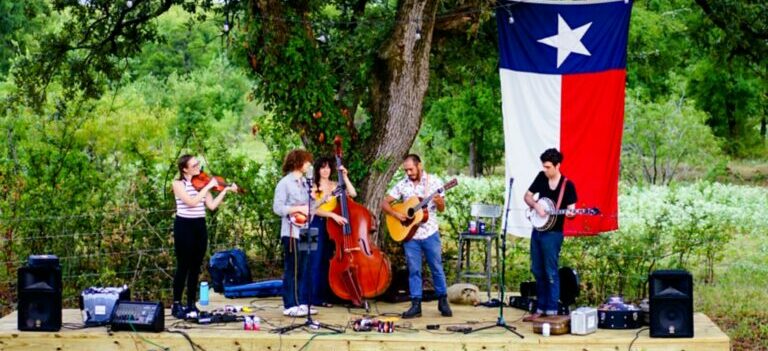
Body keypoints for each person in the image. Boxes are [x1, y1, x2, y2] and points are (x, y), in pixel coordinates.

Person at [381, 154, 452, 318]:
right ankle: (416, 305)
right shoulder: (402, 184)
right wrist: (396, 214)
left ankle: (443, 301)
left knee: (436, 267)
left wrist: (439, 202)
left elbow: (441, 208)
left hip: (429, 233)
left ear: (419, 165)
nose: (408, 173)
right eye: (406, 170)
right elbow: (384, 202)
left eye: (411, 169)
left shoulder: (433, 182)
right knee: (414, 270)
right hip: (410, 235)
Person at [171, 154, 237, 319]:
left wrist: (226, 190)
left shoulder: (202, 183)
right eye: (194, 166)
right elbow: (191, 202)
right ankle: (177, 304)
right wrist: (207, 187)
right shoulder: (178, 184)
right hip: (184, 226)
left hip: (199, 226)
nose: (198, 168)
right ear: (184, 169)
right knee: (183, 266)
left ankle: (191, 304)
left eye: (198, 164)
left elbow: (212, 206)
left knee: (195, 267)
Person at [522, 148, 577, 321]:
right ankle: (540, 307)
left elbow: (572, 210)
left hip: (553, 234)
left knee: (550, 271)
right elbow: (527, 196)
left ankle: (552, 310)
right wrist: (537, 206)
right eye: (543, 167)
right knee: (537, 269)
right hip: (537, 231)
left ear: (557, 165)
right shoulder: (541, 177)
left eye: (548, 167)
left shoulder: (567, 186)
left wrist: (571, 214)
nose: (545, 170)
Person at [272, 149, 317, 317]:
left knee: (306, 266)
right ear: (298, 162)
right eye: (306, 162)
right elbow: (277, 208)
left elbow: (312, 207)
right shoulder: (285, 183)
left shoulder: (306, 182)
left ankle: (303, 301)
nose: (309, 165)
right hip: (291, 230)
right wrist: (298, 208)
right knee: (293, 266)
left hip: (308, 228)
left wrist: (319, 198)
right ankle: (290, 303)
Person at [308, 157, 356, 307]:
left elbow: (353, 194)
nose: (326, 170)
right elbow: (312, 209)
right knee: (312, 261)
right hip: (314, 223)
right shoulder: (313, 186)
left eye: (328, 167)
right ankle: (310, 297)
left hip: (332, 227)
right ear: (317, 170)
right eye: (322, 167)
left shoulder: (336, 185)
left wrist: (345, 177)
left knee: (327, 261)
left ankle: (325, 296)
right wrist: (333, 215)